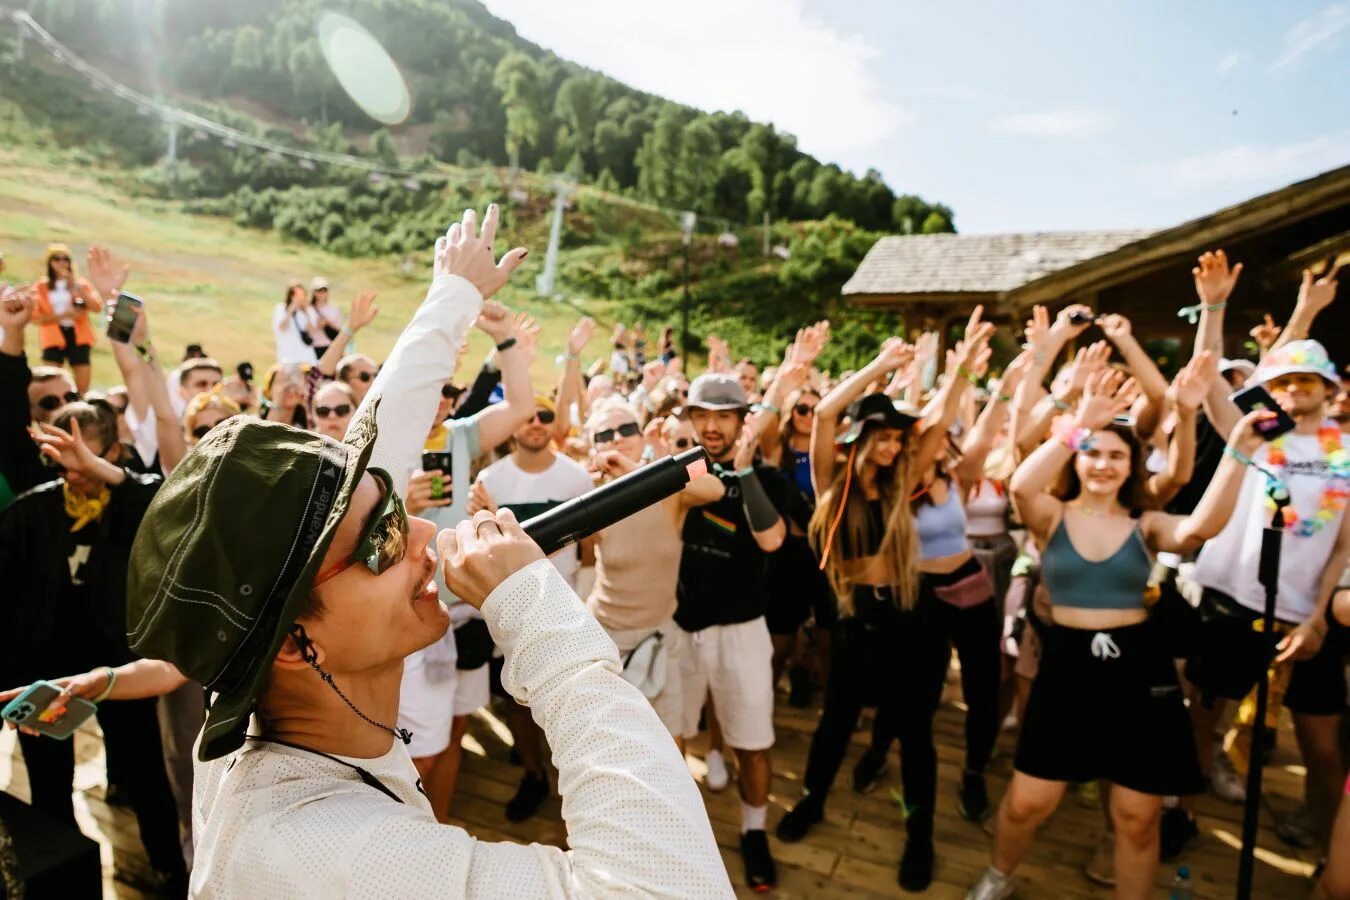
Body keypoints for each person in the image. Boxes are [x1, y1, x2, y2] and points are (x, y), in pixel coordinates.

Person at [111, 207, 732, 897]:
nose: (422, 537)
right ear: (290, 641)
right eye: (381, 540)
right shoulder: (335, 857)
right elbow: (670, 885)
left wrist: (453, 295)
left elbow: (376, 451)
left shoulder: (263, 696)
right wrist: (539, 617)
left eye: (395, 513)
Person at [966, 369, 1272, 900]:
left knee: (1136, 816)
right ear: (1077, 459)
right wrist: (1078, 426)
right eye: (1093, 452)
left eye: (1116, 455)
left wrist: (1239, 451)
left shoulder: (1144, 524)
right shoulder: (1051, 516)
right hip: (1066, 666)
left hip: (1138, 673)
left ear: (1132, 465)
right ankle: (998, 877)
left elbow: (1198, 528)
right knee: (1027, 801)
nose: (1103, 463)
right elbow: (1020, 485)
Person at [776, 316, 993, 893]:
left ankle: (920, 834)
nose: (895, 446)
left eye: (900, 438)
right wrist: (881, 365)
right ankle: (812, 800)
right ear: (863, 437)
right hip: (855, 621)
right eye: (885, 437)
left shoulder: (901, 485)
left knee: (916, 733)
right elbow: (826, 413)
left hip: (911, 616)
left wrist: (963, 369)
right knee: (836, 722)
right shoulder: (834, 484)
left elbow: (940, 422)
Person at [0, 400, 188, 893]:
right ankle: (66, 881)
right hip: (47, 672)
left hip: (120, 669)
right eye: (62, 462)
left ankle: (169, 869)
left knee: (145, 777)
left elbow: (168, 498)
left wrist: (107, 474)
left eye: (86, 459)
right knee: (49, 784)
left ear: (114, 453)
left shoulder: (135, 506)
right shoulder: (31, 512)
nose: (74, 472)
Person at [1176, 338, 1350, 861]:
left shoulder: (1345, 453)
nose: (1294, 389)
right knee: (1203, 716)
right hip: (1233, 603)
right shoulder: (1255, 434)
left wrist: (1317, 619)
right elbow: (1210, 387)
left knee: (1322, 744)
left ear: (1328, 389)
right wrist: (1213, 310)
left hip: (1308, 618)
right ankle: (1181, 815)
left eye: (1306, 380)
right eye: (1283, 381)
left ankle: (1330, 851)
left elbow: (1344, 547)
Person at [397, 303, 537, 826]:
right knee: (419, 750)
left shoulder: (460, 436)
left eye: (448, 390)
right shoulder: (385, 443)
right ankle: (409, 836)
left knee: (455, 732)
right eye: (432, 387)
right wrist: (404, 505)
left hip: (464, 607)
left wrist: (505, 341)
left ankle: (440, 826)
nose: (440, 400)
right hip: (415, 613)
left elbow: (520, 406)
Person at [675, 371, 789, 891]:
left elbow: (771, 541)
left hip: (741, 630)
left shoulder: (766, 477)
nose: (712, 426)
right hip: (678, 629)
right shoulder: (677, 469)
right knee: (672, 741)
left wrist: (743, 470)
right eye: (702, 414)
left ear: (743, 420)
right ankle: (678, 835)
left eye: (723, 415)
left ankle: (754, 832)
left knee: (753, 742)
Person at [469, 394, 597, 821]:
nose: (537, 423)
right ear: (514, 426)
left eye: (544, 415)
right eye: (528, 416)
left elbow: (590, 545)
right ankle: (533, 773)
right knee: (516, 699)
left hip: (566, 604)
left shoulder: (576, 476)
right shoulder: (491, 478)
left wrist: (588, 596)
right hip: (510, 605)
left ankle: (575, 786)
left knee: (568, 699)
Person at [582, 400, 724, 746]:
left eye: (626, 429)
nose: (617, 438)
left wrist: (636, 471)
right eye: (605, 434)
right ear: (593, 445)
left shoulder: (666, 484)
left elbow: (715, 489)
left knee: (671, 742)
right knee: (613, 743)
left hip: (659, 638)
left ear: (642, 435)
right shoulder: (589, 496)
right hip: (608, 640)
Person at [32, 243, 101, 394]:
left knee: (82, 385)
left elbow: (96, 307)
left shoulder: (80, 284)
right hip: (53, 336)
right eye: (57, 259)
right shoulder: (41, 286)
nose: (62, 262)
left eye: (65, 259)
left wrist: (78, 288)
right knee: (49, 380)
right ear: (50, 262)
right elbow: (36, 318)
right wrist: (65, 315)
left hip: (78, 336)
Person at [271, 279, 323, 364]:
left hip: (306, 356)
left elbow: (312, 333)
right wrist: (291, 309)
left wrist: (306, 311)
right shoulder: (281, 308)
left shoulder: (309, 311)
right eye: (294, 294)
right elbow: (281, 328)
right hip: (287, 356)